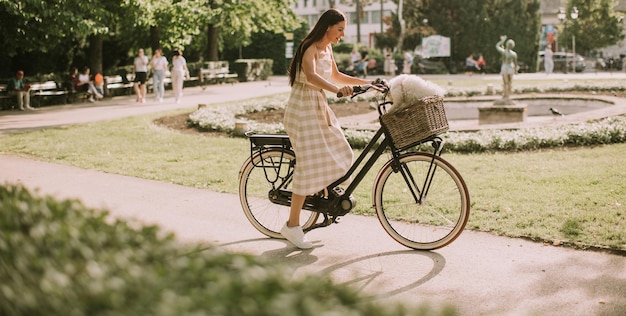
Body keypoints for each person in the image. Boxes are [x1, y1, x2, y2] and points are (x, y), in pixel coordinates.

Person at [282, 8, 370, 249]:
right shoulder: (309, 47)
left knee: (341, 148)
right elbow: (310, 76)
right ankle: (292, 226)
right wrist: (336, 90)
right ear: (327, 27)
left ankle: (324, 196)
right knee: (308, 164)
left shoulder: (327, 49)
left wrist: (367, 83)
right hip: (302, 109)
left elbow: (337, 75)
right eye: (339, 29)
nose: (342, 34)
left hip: (317, 106)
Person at [495, 35, 518, 104]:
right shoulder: (514, 54)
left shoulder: (504, 52)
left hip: (505, 67)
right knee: (510, 82)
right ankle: (508, 95)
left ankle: (505, 94)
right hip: (510, 67)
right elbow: (515, 63)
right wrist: (516, 70)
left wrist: (502, 41)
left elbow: (497, 46)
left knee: (505, 82)